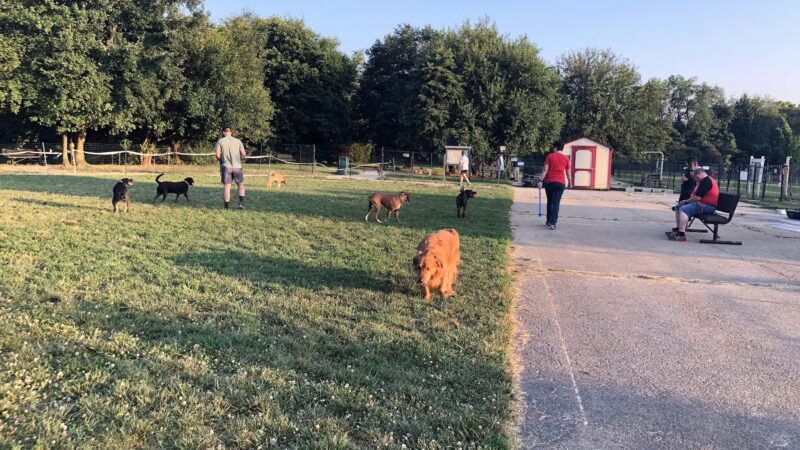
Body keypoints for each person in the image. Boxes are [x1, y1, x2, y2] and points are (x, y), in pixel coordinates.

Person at [668, 167, 719, 242]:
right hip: (702, 204)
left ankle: (681, 235)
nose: (694, 179)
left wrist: (686, 201)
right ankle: (678, 229)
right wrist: (686, 201)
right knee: (678, 207)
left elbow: (697, 197)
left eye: (694, 177)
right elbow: (695, 195)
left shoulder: (707, 181)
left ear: (699, 174)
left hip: (708, 206)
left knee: (683, 209)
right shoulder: (703, 181)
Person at [538, 144, 571, 230]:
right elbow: (568, 173)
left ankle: (549, 220)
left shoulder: (550, 156)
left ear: (555, 147)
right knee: (556, 203)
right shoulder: (566, 159)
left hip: (549, 182)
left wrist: (541, 180)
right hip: (560, 183)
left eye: (553, 147)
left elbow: (545, 169)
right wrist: (570, 182)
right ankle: (553, 223)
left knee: (550, 201)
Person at [214, 127, 247, 209]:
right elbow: (243, 154)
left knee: (227, 187)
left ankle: (226, 207)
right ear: (231, 132)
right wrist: (239, 159)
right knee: (241, 185)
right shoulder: (238, 141)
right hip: (237, 167)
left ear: (224, 132)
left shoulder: (220, 141)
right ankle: (241, 203)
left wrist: (222, 160)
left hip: (226, 167)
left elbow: (217, 155)